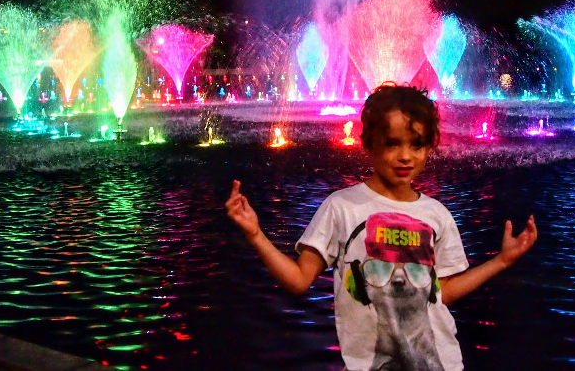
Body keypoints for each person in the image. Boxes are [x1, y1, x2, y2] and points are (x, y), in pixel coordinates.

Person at [225, 84, 538, 371]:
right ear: (368, 144)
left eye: (416, 145)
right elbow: (298, 281)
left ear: (430, 147)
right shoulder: (342, 207)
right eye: (391, 144)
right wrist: (255, 235)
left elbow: (442, 293)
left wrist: (502, 261)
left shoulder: (437, 215)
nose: (405, 156)